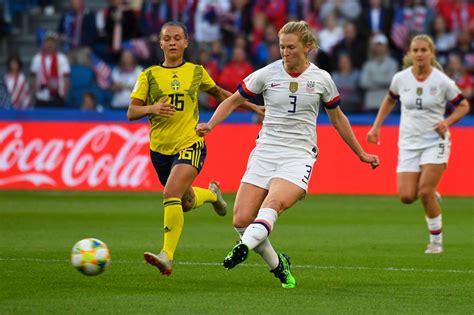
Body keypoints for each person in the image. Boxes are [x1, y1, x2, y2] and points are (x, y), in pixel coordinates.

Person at [196, 21, 380, 289]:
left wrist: (361, 153)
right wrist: (211, 125)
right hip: (266, 151)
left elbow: (338, 119)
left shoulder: (321, 79)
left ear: (307, 47)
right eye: (282, 46)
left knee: (274, 205)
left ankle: (242, 248)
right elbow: (233, 100)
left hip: (299, 154)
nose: (285, 52)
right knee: (241, 219)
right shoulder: (267, 74)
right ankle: (278, 265)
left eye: (291, 47)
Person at [127, 21, 263, 276]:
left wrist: (254, 108)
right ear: (161, 43)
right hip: (160, 150)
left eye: (177, 38)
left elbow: (223, 95)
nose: (172, 43)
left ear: (186, 42)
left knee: (170, 194)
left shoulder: (196, 72)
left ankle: (166, 255)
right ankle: (213, 195)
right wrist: (152, 108)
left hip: (191, 143)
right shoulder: (149, 76)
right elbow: (132, 111)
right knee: (185, 202)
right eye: (167, 38)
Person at [367, 34, 470, 254]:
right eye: (415, 50)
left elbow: (463, 106)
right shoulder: (401, 78)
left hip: (435, 142)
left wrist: (447, 122)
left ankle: (436, 242)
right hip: (408, 142)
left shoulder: (442, 81)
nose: (420, 54)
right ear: (409, 54)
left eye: (424, 50)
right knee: (406, 196)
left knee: (424, 191)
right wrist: (376, 127)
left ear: (431, 53)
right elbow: (390, 99)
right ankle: (433, 196)